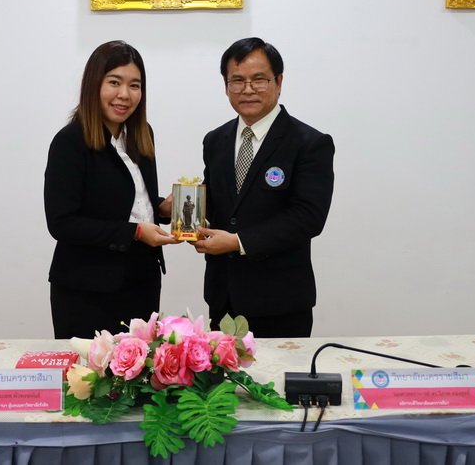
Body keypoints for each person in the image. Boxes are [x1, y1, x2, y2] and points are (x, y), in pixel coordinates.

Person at [194, 38, 335, 337]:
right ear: (226, 85)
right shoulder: (215, 140)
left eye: (259, 79)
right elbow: (221, 201)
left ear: (279, 81)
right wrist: (180, 208)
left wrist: (238, 242)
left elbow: (308, 217)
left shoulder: (310, 143)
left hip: (280, 302)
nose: (247, 89)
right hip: (223, 297)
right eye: (237, 80)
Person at [44, 41, 177, 339]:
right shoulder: (69, 142)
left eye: (135, 85)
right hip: (87, 290)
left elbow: (128, 202)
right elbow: (62, 222)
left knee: (141, 366)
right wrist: (136, 232)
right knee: (92, 370)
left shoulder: (142, 134)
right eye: (114, 82)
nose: (125, 94)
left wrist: (162, 208)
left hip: (143, 281)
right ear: (94, 85)